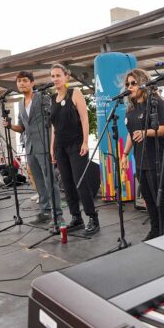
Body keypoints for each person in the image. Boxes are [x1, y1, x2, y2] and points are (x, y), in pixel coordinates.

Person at [3, 71, 62, 225]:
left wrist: (53, 144)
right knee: (39, 181)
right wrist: (9, 125)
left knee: (50, 181)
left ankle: (57, 214)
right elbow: (22, 127)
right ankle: (45, 211)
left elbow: (53, 118)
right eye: (19, 81)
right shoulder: (20, 104)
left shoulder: (42, 97)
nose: (21, 83)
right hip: (29, 147)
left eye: (24, 80)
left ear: (32, 83)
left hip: (44, 144)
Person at [120, 68, 164, 240]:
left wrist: (145, 132)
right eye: (127, 84)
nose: (130, 86)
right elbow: (131, 133)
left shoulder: (156, 102)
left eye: (133, 83)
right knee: (148, 197)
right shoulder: (131, 109)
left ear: (143, 83)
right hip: (140, 158)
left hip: (156, 157)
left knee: (158, 196)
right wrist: (125, 154)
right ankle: (155, 230)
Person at [49, 64, 99, 234]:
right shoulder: (52, 98)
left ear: (66, 77)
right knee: (67, 183)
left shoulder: (75, 93)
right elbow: (54, 127)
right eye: (53, 76)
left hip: (76, 145)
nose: (55, 79)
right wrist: (52, 147)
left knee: (80, 181)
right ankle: (76, 218)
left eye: (58, 75)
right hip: (60, 147)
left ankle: (93, 217)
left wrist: (85, 142)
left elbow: (85, 119)